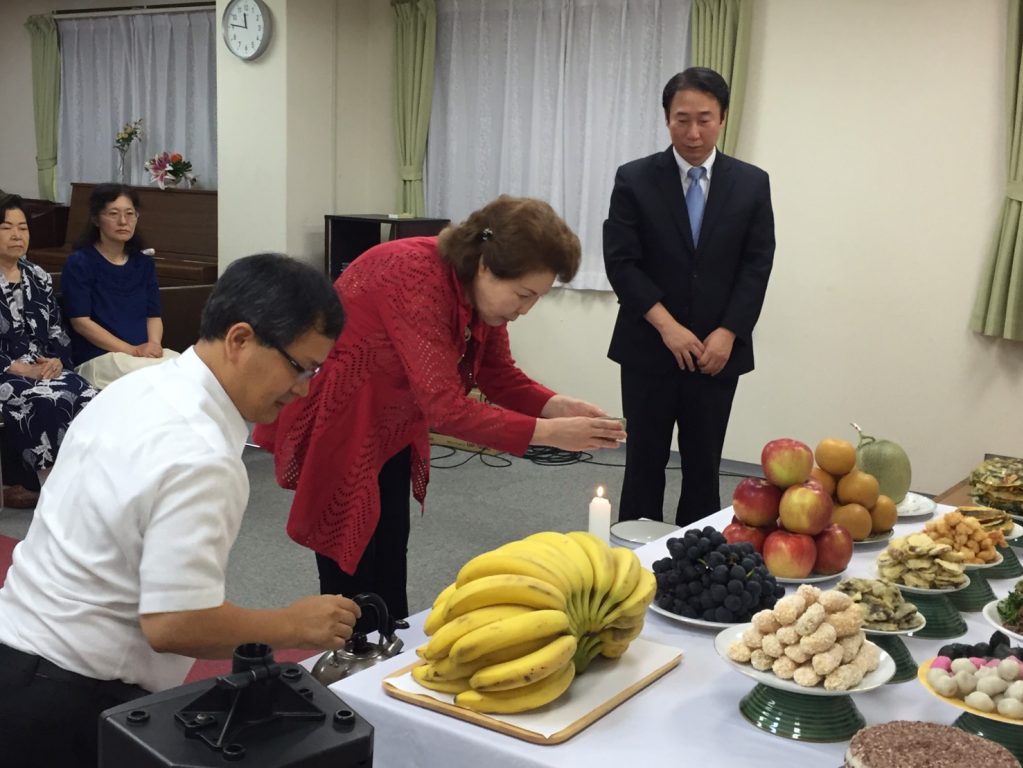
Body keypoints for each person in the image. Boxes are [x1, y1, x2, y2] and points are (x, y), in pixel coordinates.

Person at [0, 254, 361, 768]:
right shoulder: (203, 456)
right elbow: (174, 624)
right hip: (71, 694)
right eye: (298, 367)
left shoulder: (138, 387)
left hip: (16, 648)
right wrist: (292, 625)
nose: (303, 387)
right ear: (239, 339)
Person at [254, 195, 625, 623]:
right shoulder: (414, 275)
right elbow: (446, 409)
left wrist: (554, 405)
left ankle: (388, 654)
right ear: (485, 265)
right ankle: (348, 666)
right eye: (523, 294)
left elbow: (498, 373)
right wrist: (550, 434)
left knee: (391, 550)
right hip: (344, 417)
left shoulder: (474, 292)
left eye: (536, 298)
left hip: (393, 423)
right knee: (351, 569)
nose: (525, 309)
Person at [604, 67, 775, 528]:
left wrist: (728, 332)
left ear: (722, 117)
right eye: (682, 119)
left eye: (704, 118)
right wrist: (667, 326)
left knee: (704, 466)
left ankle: (697, 569)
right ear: (666, 119)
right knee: (644, 462)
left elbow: (757, 264)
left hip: (717, 354)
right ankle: (633, 567)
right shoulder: (635, 179)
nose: (693, 132)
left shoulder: (751, 183)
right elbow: (621, 262)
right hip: (649, 347)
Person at [0, 194, 97, 508]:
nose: (17, 235)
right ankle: (51, 489)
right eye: (6, 228)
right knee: (45, 401)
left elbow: (57, 331)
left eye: (23, 228)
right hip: (6, 372)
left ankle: (90, 480)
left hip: (42, 368)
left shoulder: (37, 276)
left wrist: (57, 361)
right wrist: (18, 368)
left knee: (87, 395)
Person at [60, 183, 178, 388]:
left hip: (142, 355)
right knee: (151, 379)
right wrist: (131, 350)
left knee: (186, 370)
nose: (123, 221)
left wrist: (155, 345)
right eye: (113, 213)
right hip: (99, 357)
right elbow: (81, 323)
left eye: (130, 214)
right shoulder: (80, 262)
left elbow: (153, 316)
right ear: (96, 219)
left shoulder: (143, 263)